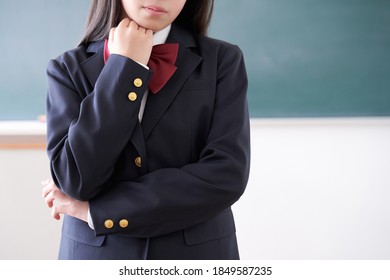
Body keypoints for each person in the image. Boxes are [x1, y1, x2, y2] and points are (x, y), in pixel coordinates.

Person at [42, 0, 250, 260]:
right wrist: (125, 67)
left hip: (196, 256)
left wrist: (97, 211)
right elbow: (75, 179)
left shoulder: (222, 60)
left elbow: (226, 175)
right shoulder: (66, 68)